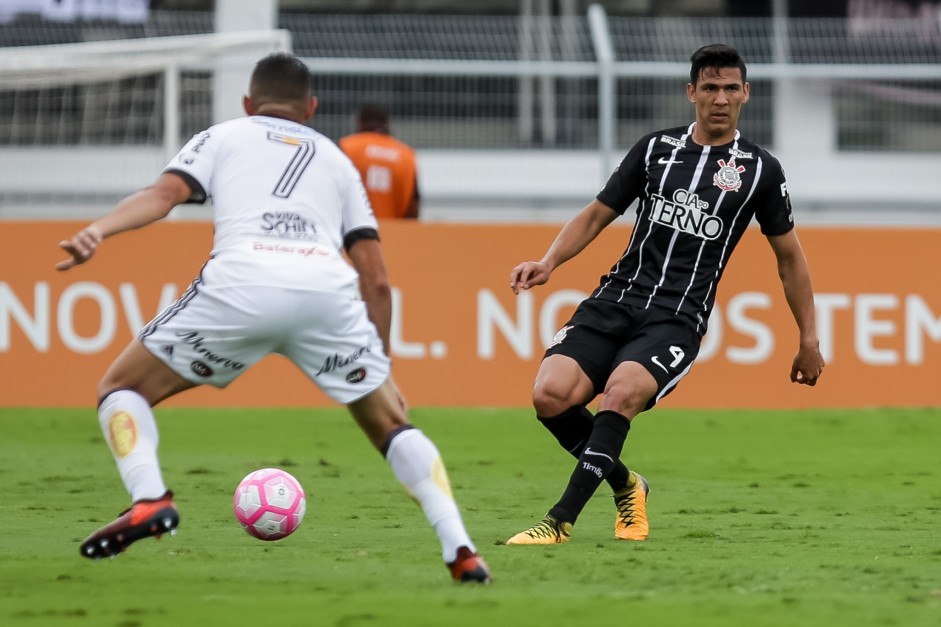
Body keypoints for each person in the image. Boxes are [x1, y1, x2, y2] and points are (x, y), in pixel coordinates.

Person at [56, 52, 490, 584]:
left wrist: (99, 230)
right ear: (311, 107)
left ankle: (149, 498)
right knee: (392, 428)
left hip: (242, 284)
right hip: (325, 292)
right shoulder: (336, 160)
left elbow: (163, 196)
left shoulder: (225, 135)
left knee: (120, 388)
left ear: (247, 102)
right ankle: (462, 550)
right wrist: (382, 368)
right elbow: (376, 279)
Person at [505, 43, 825, 545]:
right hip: (615, 298)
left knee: (622, 393)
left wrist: (809, 337)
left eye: (730, 88)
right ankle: (628, 484)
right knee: (549, 395)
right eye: (710, 88)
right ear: (691, 92)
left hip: (677, 317)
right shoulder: (656, 149)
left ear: (746, 94)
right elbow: (596, 213)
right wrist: (548, 262)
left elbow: (790, 259)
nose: (720, 98)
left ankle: (559, 521)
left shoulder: (760, 170)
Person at [339, 104, 420, 219]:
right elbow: (413, 207)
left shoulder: (346, 146)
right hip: (395, 232)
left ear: (360, 122)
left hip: (354, 232)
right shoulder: (407, 155)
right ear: (387, 124)